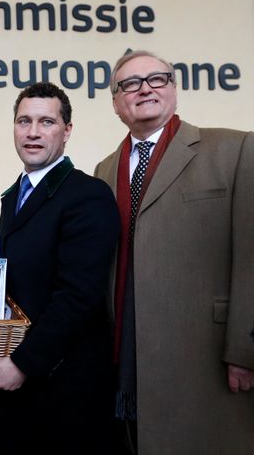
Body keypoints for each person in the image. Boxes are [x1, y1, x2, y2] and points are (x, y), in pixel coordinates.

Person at [94, 50, 254, 454]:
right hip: (127, 346)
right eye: (130, 83)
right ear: (116, 103)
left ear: (174, 89)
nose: (145, 88)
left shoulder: (235, 150)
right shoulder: (104, 170)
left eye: (157, 78)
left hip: (205, 353)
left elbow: (251, 259)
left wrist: (245, 349)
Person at [0, 82, 119, 454]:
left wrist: (23, 362)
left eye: (46, 122)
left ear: (67, 130)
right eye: (24, 121)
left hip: (66, 381)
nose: (33, 132)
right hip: (22, 372)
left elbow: (79, 295)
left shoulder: (88, 194)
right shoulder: (15, 196)